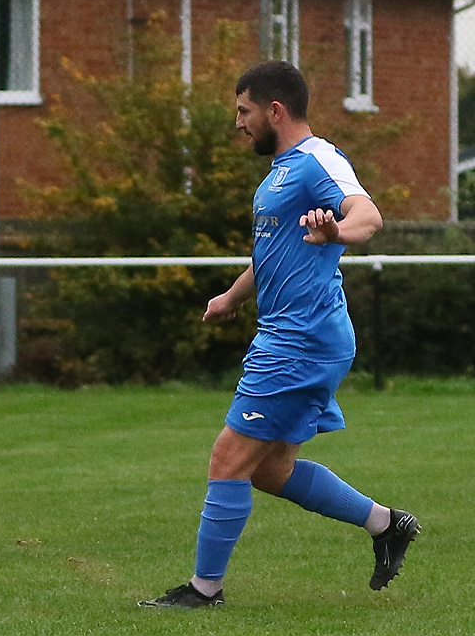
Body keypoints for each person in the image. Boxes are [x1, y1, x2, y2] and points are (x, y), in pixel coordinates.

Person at [140, 60, 418, 608]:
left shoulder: (319, 160)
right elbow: (270, 254)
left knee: (228, 459)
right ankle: (386, 525)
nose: (239, 123)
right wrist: (230, 298)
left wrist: (338, 229)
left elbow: (369, 215)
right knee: (270, 470)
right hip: (292, 335)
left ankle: (204, 590)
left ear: (275, 110)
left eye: (243, 112)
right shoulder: (280, 173)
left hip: (301, 340)